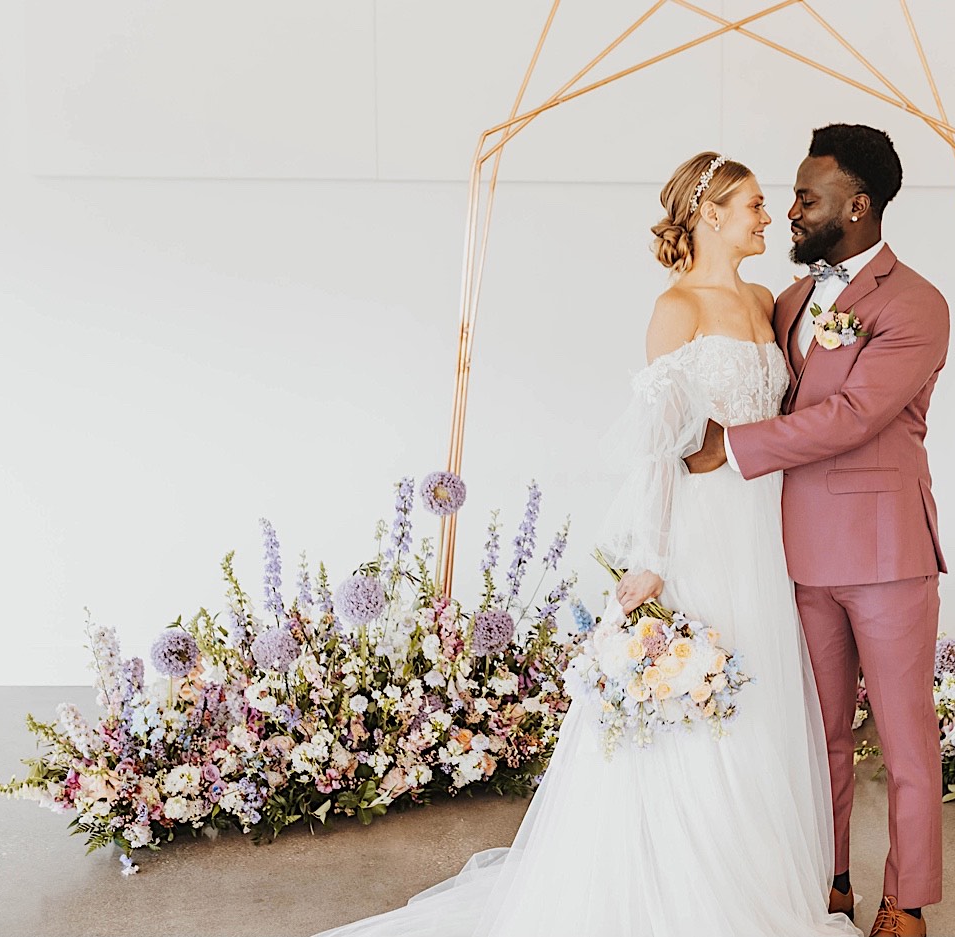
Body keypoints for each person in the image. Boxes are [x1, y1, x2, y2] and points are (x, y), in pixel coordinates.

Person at [313, 151, 859, 937]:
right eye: (754, 205)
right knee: (698, 710)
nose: (768, 218)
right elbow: (660, 448)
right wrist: (652, 558)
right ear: (711, 214)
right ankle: (696, 898)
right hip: (703, 535)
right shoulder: (676, 309)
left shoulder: (769, 298)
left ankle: (760, 878)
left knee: (761, 705)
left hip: (764, 537)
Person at [686, 124, 951, 937]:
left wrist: (731, 447)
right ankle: (826, 877)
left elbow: (854, 414)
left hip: (885, 553)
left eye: (806, 197)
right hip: (794, 551)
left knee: (905, 739)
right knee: (817, 733)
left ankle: (905, 900)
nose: (791, 213)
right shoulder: (791, 301)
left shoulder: (916, 303)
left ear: (858, 204)